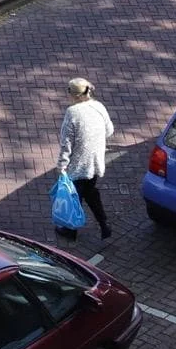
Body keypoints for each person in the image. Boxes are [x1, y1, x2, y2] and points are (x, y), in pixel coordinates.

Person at [57, 77, 114, 240]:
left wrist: (62, 165)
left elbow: (66, 142)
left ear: (73, 94)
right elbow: (109, 130)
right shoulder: (99, 106)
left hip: (79, 163)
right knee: (90, 192)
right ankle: (104, 225)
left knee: (75, 196)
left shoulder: (72, 112)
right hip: (95, 161)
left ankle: (71, 231)